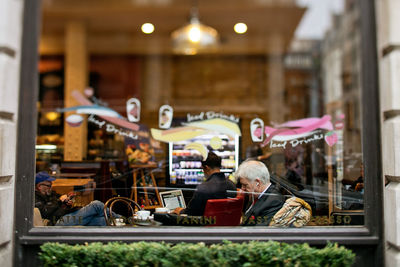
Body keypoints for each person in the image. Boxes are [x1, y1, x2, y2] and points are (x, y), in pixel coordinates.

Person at [34, 171, 114, 226]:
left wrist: (67, 202)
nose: (50, 188)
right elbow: (45, 212)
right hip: (58, 221)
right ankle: (121, 219)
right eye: (48, 186)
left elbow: (60, 206)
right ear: (39, 186)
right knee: (96, 204)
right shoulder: (34, 197)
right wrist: (60, 201)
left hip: (66, 216)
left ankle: (121, 224)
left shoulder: (52, 194)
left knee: (102, 220)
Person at [172, 151, 237, 216]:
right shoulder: (231, 185)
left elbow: (191, 212)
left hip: (208, 224)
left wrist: (181, 211)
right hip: (228, 224)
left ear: (206, 168)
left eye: (202, 169)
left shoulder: (204, 188)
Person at [236, 160, 285, 226]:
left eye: (245, 185)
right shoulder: (255, 195)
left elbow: (260, 232)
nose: (242, 189)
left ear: (257, 183)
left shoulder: (274, 201)